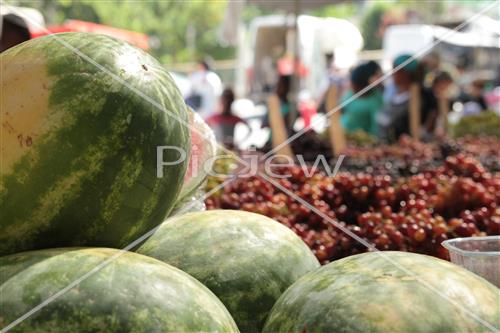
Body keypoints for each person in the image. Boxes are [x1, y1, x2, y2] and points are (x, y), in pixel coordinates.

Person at [377, 54, 437, 142]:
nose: (392, 74)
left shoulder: (422, 97)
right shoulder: (393, 92)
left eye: (395, 70)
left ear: (404, 73)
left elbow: (430, 119)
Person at [340, 61, 384, 136]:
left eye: (354, 85)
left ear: (363, 86)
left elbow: (376, 129)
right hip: (343, 134)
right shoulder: (351, 94)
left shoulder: (376, 102)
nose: (351, 87)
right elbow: (342, 108)